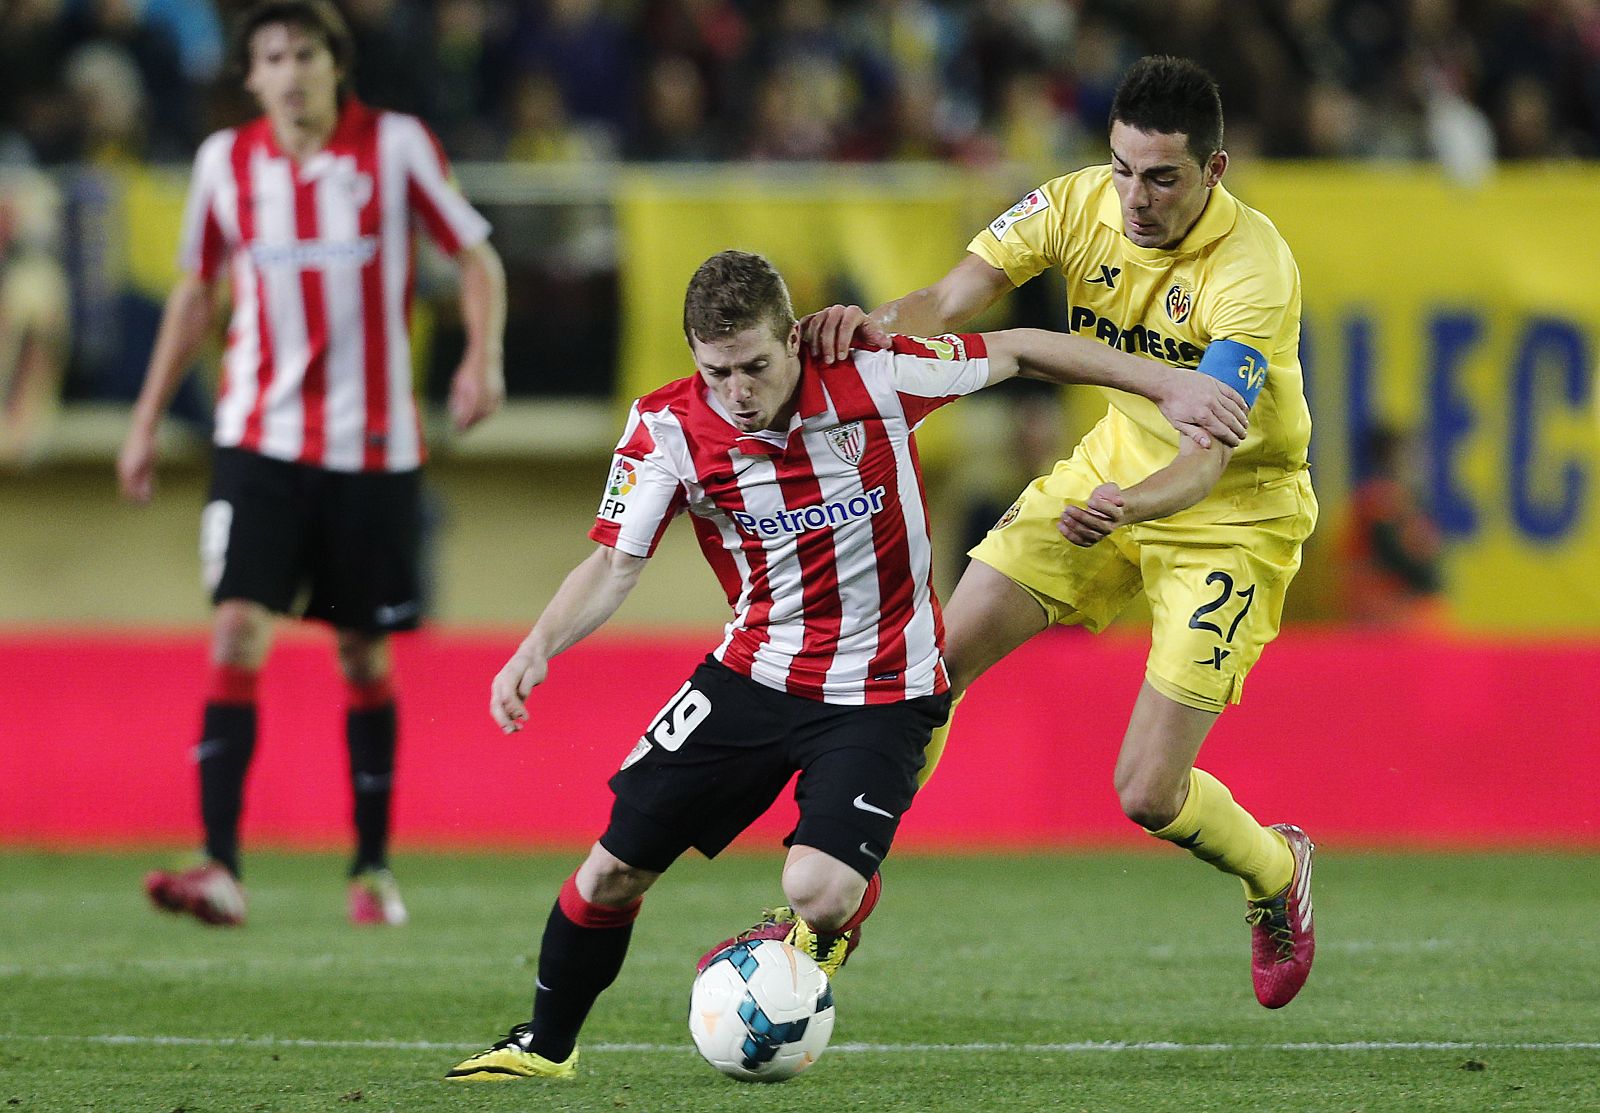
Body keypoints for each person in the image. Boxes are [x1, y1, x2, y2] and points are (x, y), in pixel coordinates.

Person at [445, 249, 1246, 1082]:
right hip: (750, 674)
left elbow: (1022, 346)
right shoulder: (666, 430)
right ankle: (544, 1046)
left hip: (884, 690)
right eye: (718, 370)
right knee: (611, 869)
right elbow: (614, 564)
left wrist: (1169, 386)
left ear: (792, 339)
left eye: (756, 364)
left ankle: (792, 940)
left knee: (820, 890)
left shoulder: (876, 375)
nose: (739, 390)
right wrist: (536, 647)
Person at [805, 55, 1320, 1010]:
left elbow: (1208, 454)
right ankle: (833, 902)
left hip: (1233, 515)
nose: (1135, 196)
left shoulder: (1254, 270)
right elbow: (946, 303)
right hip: (1113, 466)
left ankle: (1274, 869)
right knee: (932, 666)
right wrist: (868, 327)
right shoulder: (1070, 203)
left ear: (1217, 169)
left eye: (1163, 176)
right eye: (1123, 167)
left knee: (1147, 793)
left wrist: (1134, 507)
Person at [116, 0, 506, 928]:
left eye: (306, 55)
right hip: (258, 443)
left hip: (373, 451)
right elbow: (196, 295)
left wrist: (481, 357)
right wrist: (141, 422)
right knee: (235, 630)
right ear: (250, 76)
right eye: (272, 57)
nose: (290, 73)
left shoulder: (399, 146)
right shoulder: (226, 164)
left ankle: (370, 869)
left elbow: (478, 256)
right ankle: (220, 864)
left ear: (338, 67)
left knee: (363, 652)